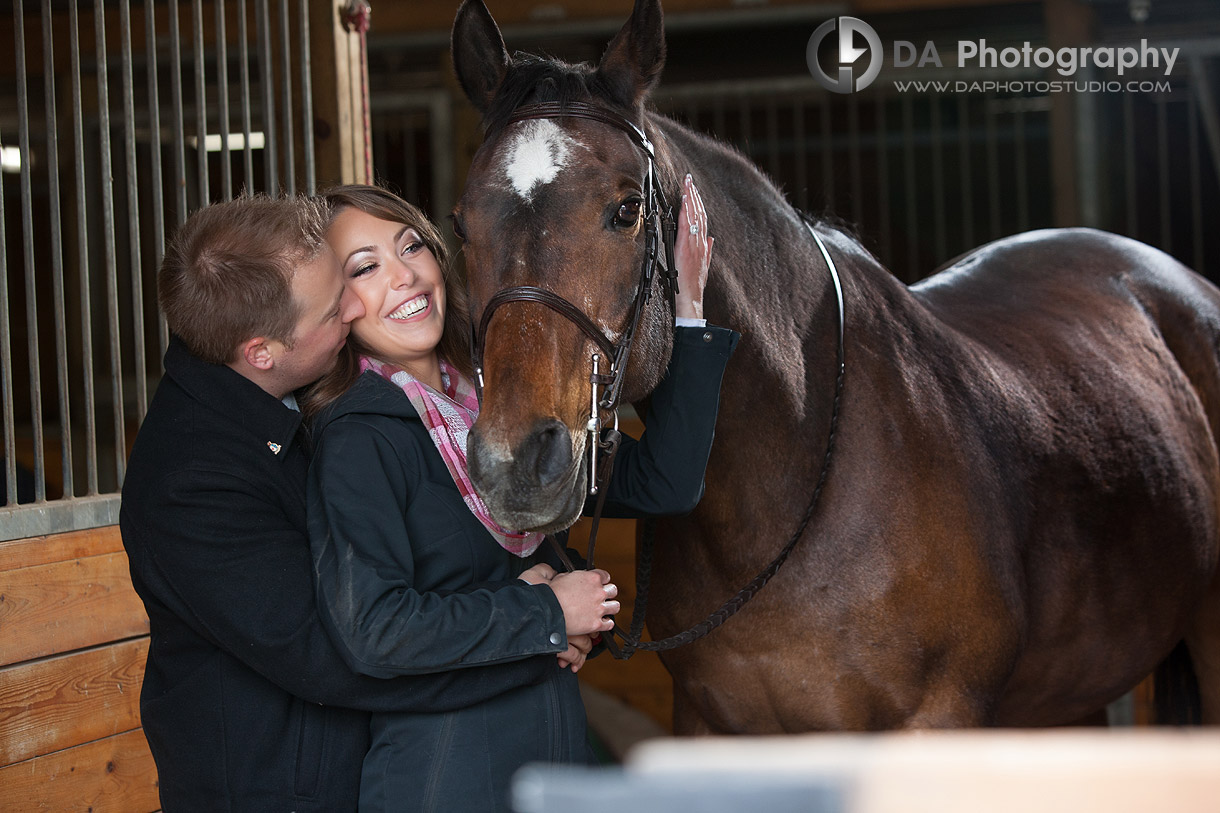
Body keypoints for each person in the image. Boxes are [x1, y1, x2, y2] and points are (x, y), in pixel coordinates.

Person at [303, 177, 738, 813]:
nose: (404, 277)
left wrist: (687, 310)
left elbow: (663, 483)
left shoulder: (500, 408)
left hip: (553, 758)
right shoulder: (359, 439)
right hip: (447, 778)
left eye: (411, 247)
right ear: (337, 304)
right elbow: (374, 631)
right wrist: (544, 616)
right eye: (366, 267)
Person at [120, 195, 568, 811]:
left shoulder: (296, 396)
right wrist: (538, 624)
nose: (359, 307)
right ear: (262, 351)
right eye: (337, 307)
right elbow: (342, 655)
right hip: (276, 793)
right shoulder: (192, 485)